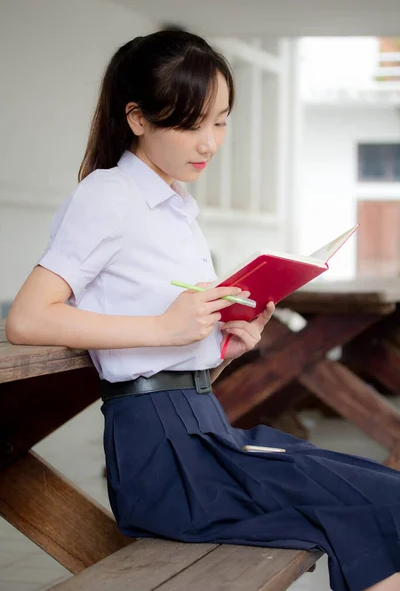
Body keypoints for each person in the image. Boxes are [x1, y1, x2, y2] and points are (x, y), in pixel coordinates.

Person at [6, 30, 400, 591]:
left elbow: (166, 356)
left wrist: (224, 348)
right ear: (137, 118)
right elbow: (26, 318)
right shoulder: (108, 196)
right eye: (190, 123)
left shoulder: (175, 207)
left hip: (205, 434)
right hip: (168, 464)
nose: (209, 142)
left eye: (219, 121)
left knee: (381, 496)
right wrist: (166, 326)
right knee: (370, 507)